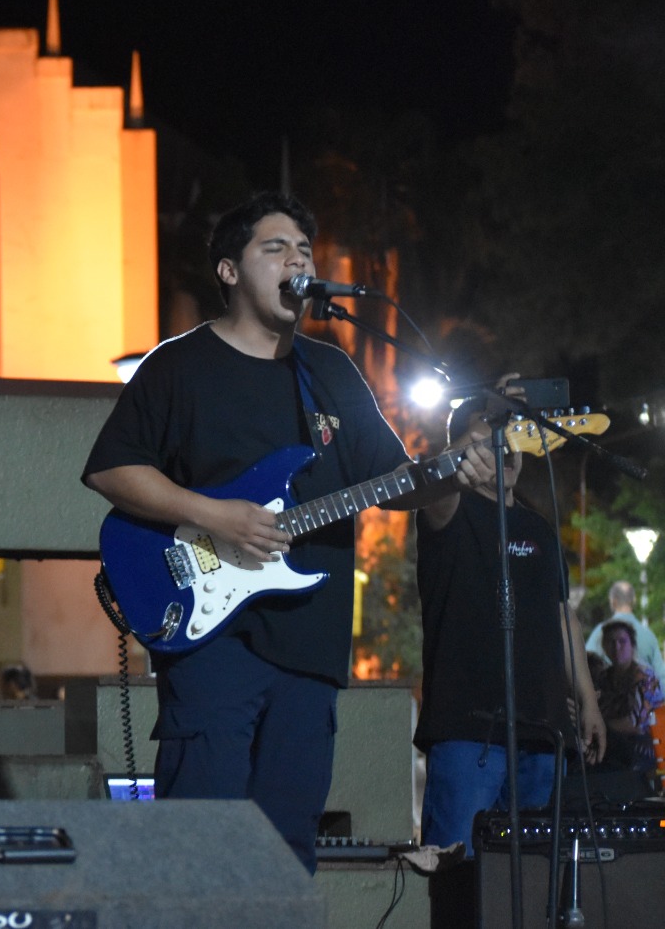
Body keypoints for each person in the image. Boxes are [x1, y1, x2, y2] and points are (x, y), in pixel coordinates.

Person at [82, 191, 492, 873]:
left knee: (286, 852)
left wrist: (455, 472)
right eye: (276, 249)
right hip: (212, 641)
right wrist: (219, 517)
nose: (296, 261)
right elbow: (112, 471)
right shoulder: (179, 366)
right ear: (229, 270)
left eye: (303, 251)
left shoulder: (329, 372)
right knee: (197, 845)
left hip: (312, 646)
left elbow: (397, 482)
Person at [412, 386, 604, 856]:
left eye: (514, 434)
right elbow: (430, 481)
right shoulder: (448, 510)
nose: (508, 446)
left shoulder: (539, 527)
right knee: (459, 873)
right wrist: (467, 437)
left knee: (532, 877)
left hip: (542, 733)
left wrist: (589, 701)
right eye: (494, 435)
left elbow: (564, 615)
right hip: (468, 733)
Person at [594, 620, 665, 782]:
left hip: (644, 748)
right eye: (611, 642)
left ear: (632, 645)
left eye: (622, 641)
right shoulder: (603, 677)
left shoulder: (644, 678)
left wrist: (600, 724)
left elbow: (635, 724)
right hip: (613, 745)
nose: (616, 646)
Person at [584, 581, 664, 674]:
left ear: (613, 602)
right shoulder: (649, 636)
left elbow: (584, 666)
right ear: (634, 601)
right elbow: (661, 677)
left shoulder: (600, 632)